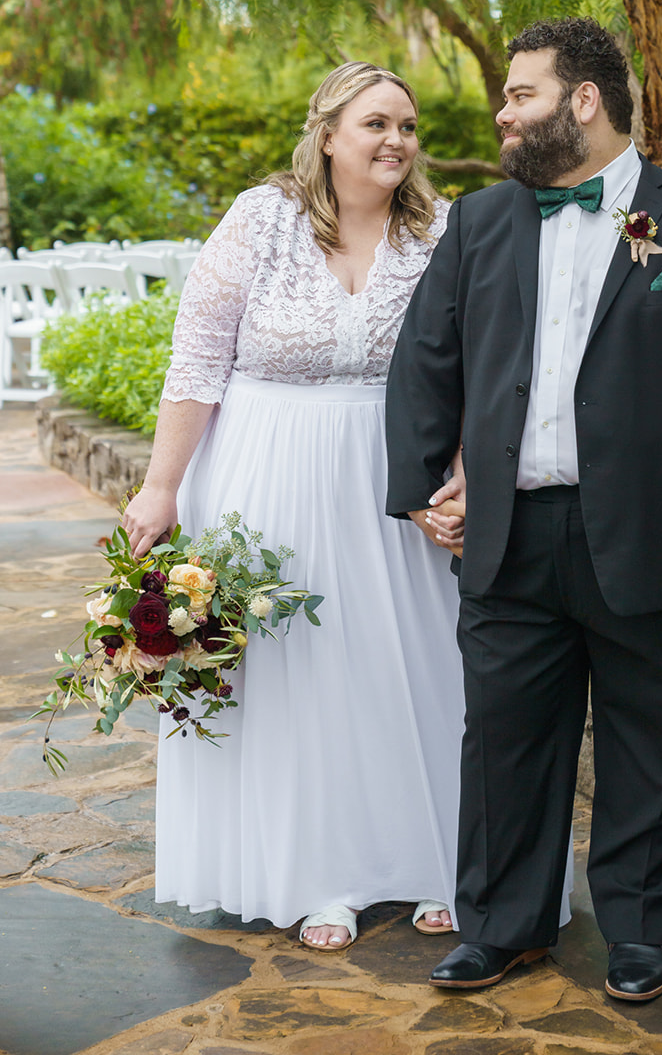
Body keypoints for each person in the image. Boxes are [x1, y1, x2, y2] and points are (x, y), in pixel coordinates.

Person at [385, 17, 662, 1002]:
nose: (502, 112)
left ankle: (641, 932)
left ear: (584, 100)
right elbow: (424, 360)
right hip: (509, 535)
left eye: (519, 94)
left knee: (656, 744)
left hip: (658, 532)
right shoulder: (479, 222)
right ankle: (500, 928)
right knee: (503, 745)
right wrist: (419, 490)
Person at [123, 61, 467, 950]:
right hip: (265, 475)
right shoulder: (261, 219)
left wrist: (459, 471)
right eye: (375, 124)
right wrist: (161, 486)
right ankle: (318, 877)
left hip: (394, 484)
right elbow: (198, 358)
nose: (396, 141)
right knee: (297, 678)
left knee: (408, 668)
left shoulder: (439, 229)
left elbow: (470, 364)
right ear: (327, 134)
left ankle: (434, 862)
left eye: (407, 126)